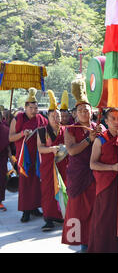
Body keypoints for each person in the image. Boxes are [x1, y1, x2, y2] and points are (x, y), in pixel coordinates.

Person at [62, 78, 104, 252]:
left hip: (96, 174)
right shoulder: (71, 129)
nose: (84, 113)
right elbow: (71, 151)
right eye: (80, 110)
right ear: (75, 114)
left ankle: (96, 241)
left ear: (92, 111)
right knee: (79, 211)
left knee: (96, 209)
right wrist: (89, 139)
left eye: (86, 109)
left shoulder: (99, 127)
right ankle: (83, 244)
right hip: (79, 175)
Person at [88, 108, 118, 253]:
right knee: (105, 219)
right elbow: (93, 164)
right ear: (105, 121)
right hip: (107, 185)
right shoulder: (100, 140)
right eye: (112, 118)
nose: (117, 121)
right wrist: (112, 167)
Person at [9, 88, 48, 222]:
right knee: (25, 184)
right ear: (25, 107)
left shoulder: (41, 118)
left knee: (36, 183)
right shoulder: (18, 118)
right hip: (23, 157)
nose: (34, 111)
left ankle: (35, 207)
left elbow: (47, 133)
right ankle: (25, 211)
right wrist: (21, 134)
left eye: (36, 108)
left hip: (37, 156)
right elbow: (10, 137)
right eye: (31, 108)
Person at [36, 91, 68, 231]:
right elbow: (40, 149)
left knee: (64, 189)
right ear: (47, 117)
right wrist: (52, 149)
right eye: (53, 116)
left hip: (63, 165)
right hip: (49, 166)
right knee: (48, 191)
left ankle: (62, 215)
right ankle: (48, 218)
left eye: (58, 116)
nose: (56, 118)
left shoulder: (66, 130)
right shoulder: (42, 131)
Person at [0, 111, 11, 212]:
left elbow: (8, 145)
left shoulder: (4, 129)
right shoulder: (5, 129)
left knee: (1, 180)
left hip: (2, 159)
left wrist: (11, 157)